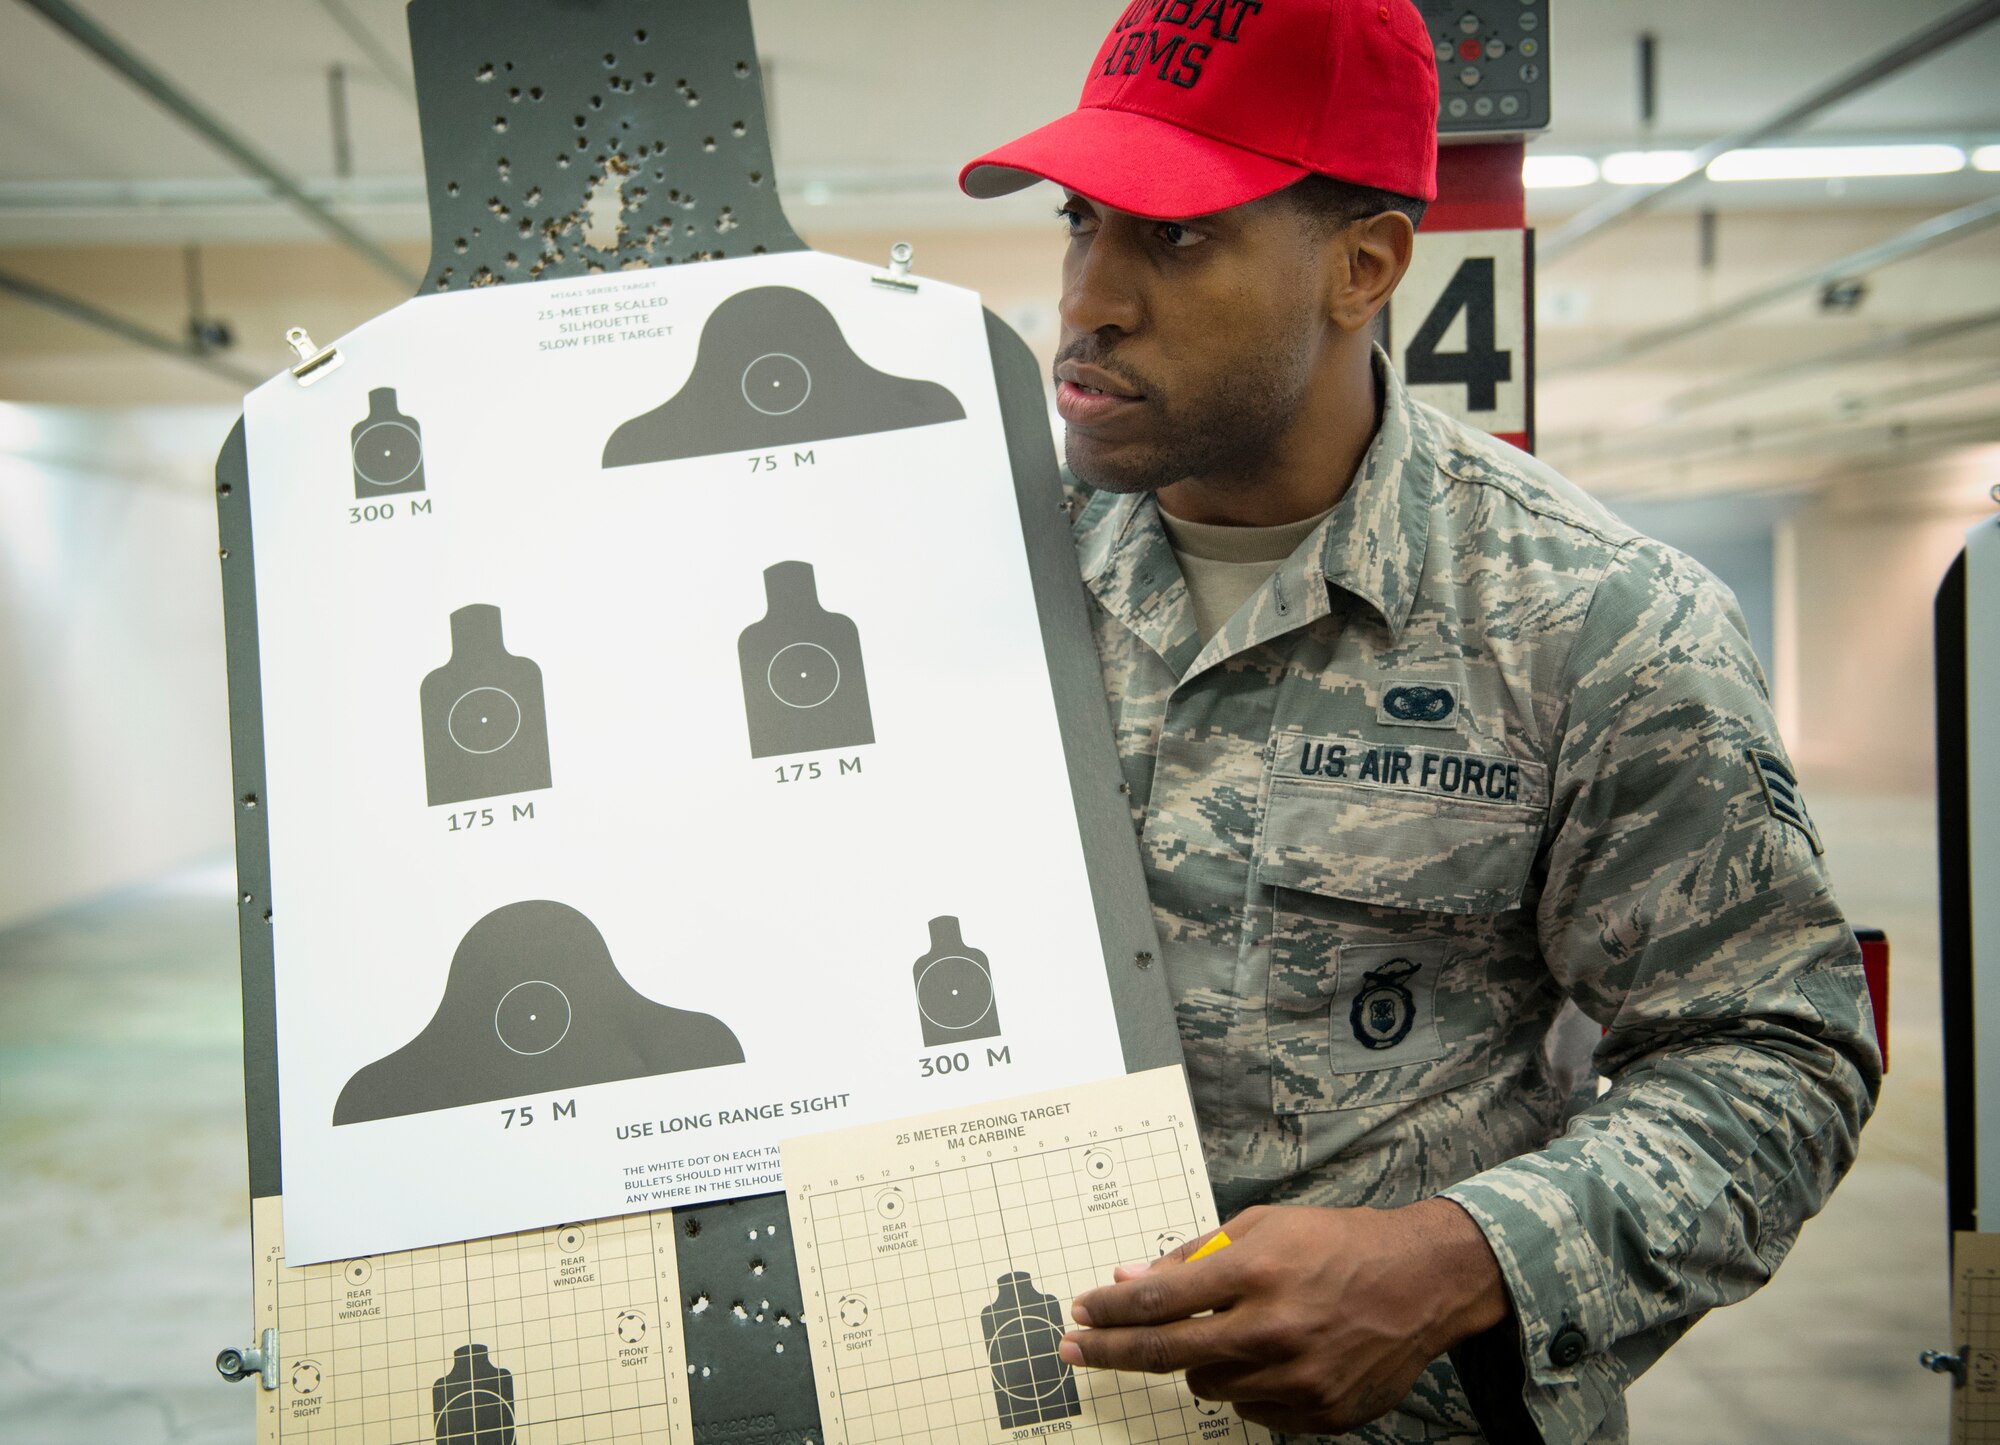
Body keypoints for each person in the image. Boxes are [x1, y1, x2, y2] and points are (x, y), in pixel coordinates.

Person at [956, 2, 1881, 1441]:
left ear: (1365, 264)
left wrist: (1452, 1259)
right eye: (1086, 220)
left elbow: (1775, 1055)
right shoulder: (969, 567)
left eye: (1177, 235)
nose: (1090, 297)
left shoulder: (1596, 623)